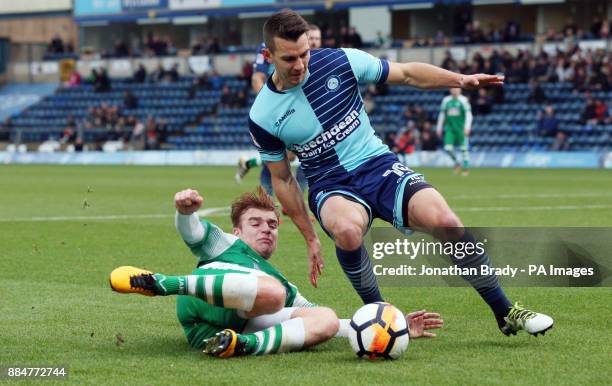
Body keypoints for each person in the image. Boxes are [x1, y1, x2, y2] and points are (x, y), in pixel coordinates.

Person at [248, 9, 553, 337]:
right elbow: (282, 178)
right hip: (329, 181)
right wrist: (310, 237)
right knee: (348, 233)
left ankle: (505, 311)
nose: (300, 65)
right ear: (268, 56)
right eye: (289, 58)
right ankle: (384, 321)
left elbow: (407, 73)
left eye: (304, 54)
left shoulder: (341, 61)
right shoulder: (262, 115)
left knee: (447, 222)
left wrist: (460, 80)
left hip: (377, 165)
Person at [109, 188, 444, 357]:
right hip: (199, 301)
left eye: (272, 224)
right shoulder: (225, 244)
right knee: (274, 293)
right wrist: (185, 211)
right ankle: (161, 284)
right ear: (238, 231)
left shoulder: (280, 281)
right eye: (255, 223)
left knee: (324, 317)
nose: (266, 229)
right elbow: (193, 233)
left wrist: (394, 329)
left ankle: (243, 346)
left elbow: (322, 322)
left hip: (229, 327)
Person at [235, 24, 322, 194]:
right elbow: (257, 79)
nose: (314, 42)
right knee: (280, 155)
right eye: (311, 38)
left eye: (317, 39)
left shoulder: (318, 57)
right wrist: (272, 104)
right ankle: (269, 200)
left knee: (292, 155)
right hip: (280, 112)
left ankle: (250, 164)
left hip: (304, 110)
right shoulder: (269, 48)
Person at [436, 88, 472, 176]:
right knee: (448, 148)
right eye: (452, 88)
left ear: (460, 90)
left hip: (461, 128)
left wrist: (467, 127)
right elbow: (442, 114)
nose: (454, 90)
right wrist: (439, 127)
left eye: (456, 88)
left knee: (464, 148)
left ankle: (466, 167)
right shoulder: (446, 100)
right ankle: (457, 163)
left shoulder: (463, 100)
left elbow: (469, 115)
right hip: (450, 129)